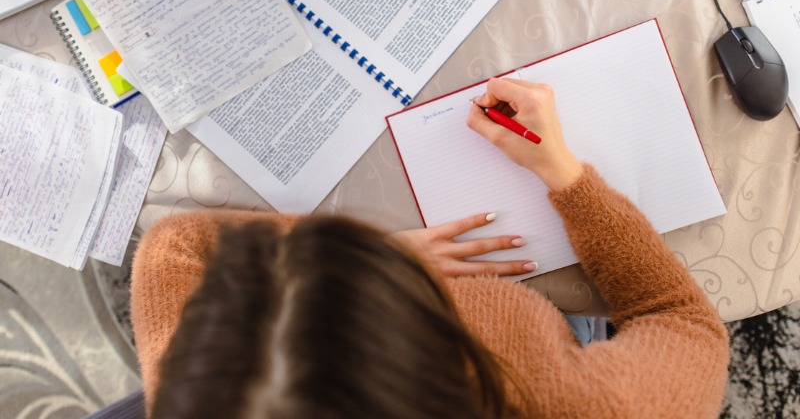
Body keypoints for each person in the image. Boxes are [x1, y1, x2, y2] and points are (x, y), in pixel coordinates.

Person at [130, 78, 729, 418]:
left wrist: (386, 258)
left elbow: (172, 247)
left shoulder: (215, 394)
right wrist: (568, 177)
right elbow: (682, 322)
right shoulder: (584, 406)